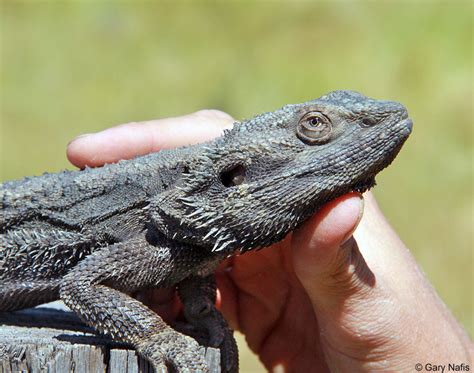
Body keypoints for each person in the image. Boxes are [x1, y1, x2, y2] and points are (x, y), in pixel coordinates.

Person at [67, 110, 473, 371]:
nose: (367, 128)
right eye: (315, 127)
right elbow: (83, 285)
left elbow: (192, 259)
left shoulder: (192, 244)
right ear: (235, 175)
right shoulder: (163, 241)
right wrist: (155, 336)